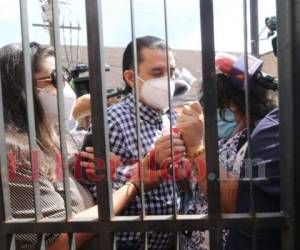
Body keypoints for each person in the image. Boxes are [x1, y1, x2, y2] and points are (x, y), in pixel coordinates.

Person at [0, 43, 169, 250]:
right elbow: (57, 244)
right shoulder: (16, 152)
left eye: (65, 77)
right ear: (21, 90)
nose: (66, 87)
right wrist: (133, 185)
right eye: (55, 79)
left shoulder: (58, 140)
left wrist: (85, 172)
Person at [82, 36, 186, 250]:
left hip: (169, 242)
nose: (168, 80)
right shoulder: (111, 122)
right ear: (131, 77)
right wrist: (141, 170)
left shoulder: (173, 119)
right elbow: (93, 189)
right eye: (157, 73)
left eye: (172, 72)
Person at [176, 53, 278, 249]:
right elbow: (198, 188)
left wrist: (197, 149)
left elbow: (235, 204)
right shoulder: (226, 140)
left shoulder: (258, 141)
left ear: (233, 103)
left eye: (215, 105)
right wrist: (185, 171)